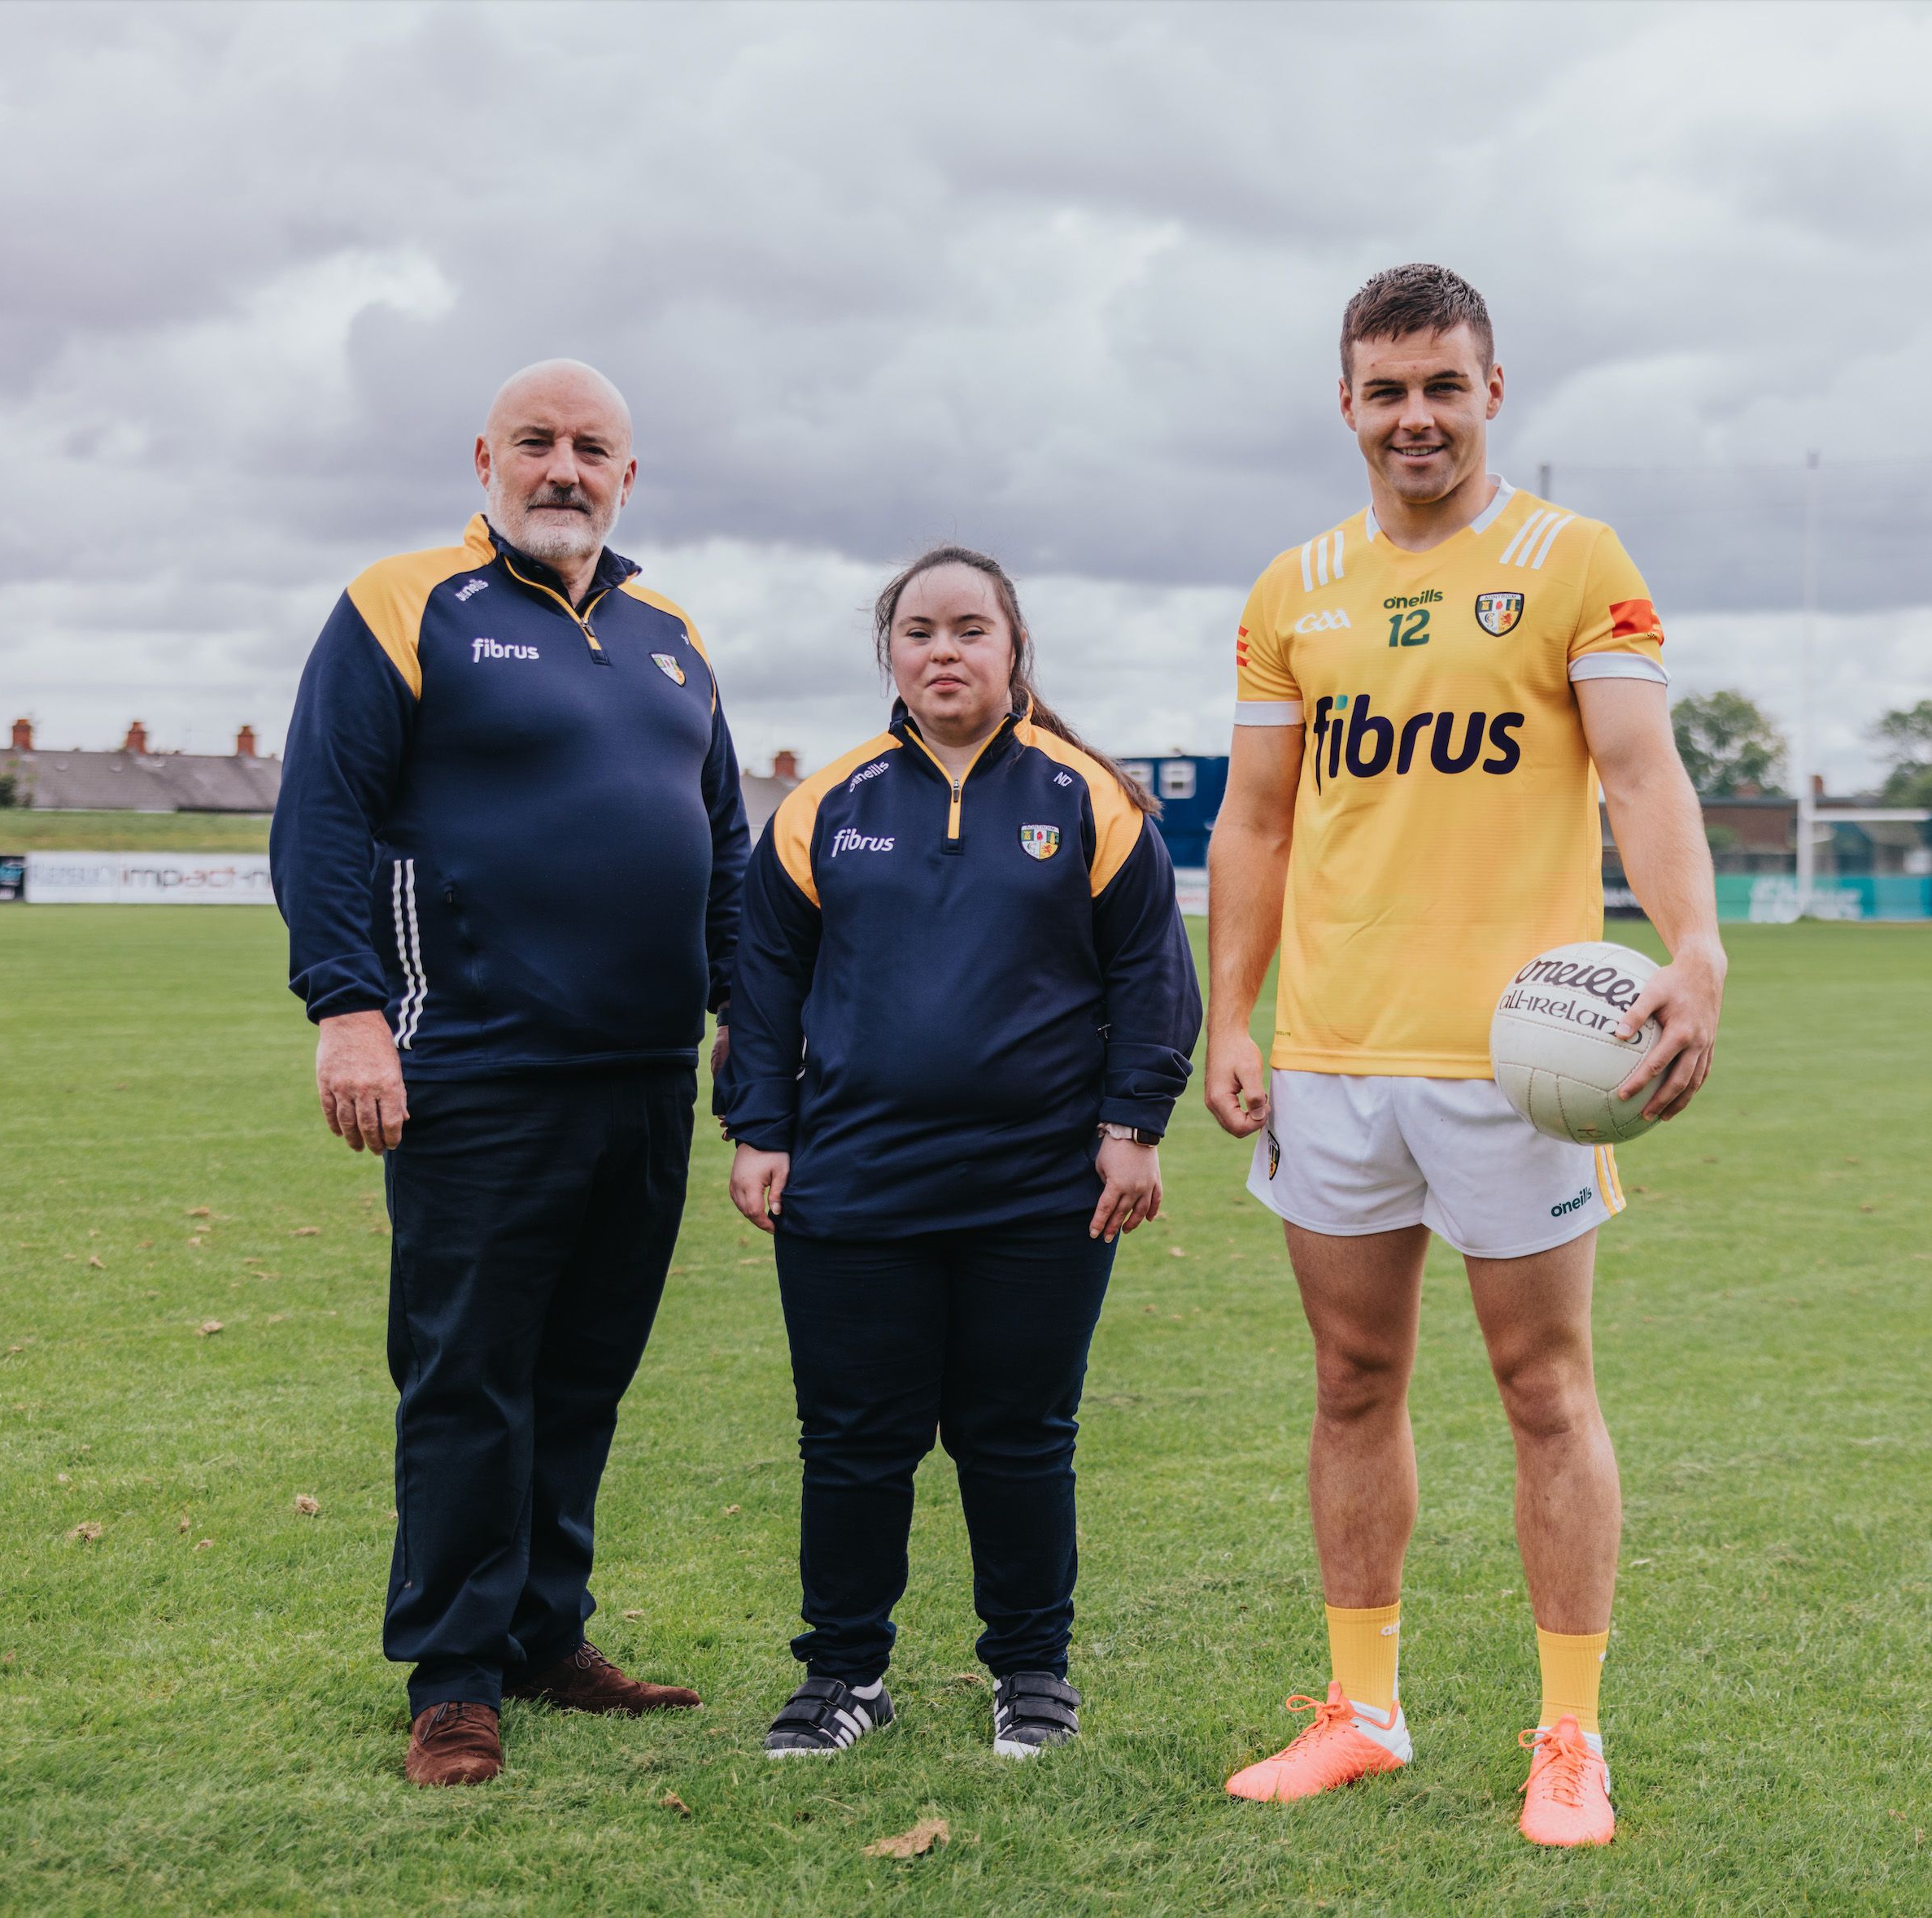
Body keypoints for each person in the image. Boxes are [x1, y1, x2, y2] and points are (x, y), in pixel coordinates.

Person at [1204, 267, 1727, 1847]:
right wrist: (1231, 1012)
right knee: (1350, 1381)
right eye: (1384, 389)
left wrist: (1692, 944)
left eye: (1442, 385)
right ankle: (1360, 1710)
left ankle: (1568, 1736)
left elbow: (1639, 775)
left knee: (1541, 1388)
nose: (1413, 417)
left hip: (1522, 1060)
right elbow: (1256, 817)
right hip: (1332, 1054)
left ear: (1493, 391)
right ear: (1345, 404)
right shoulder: (1290, 587)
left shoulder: (1575, 564)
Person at [270, 360, 747, 1788]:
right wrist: (348, 1009)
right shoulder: (402, 603)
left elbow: (721, 840)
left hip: (647, 1072)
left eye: (592, 448)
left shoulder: (672, 633)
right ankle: (454, 1675)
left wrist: (744, 1011)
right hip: (475, 1068)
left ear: (628, 476)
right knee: (470, 1374)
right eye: (535, 442)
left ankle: (546, 1635)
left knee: (585, 1371)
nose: (563, 467)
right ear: (484, 457)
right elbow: (326, 814)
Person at [716, 546, 1200, 1760]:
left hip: (1038, 1189)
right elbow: (761, 983)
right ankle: (843, 1676)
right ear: (891, 651)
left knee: (1020, 1435)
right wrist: (759, 1128)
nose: (945, 649)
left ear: (1013, 648)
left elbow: (1152, 978)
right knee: (853, 1439)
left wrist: (1132, 1128)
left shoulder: (1089, 800)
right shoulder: (822, 807)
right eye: (919, 629)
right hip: (854, 1183)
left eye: (969, 628)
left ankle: (1031, 1671)